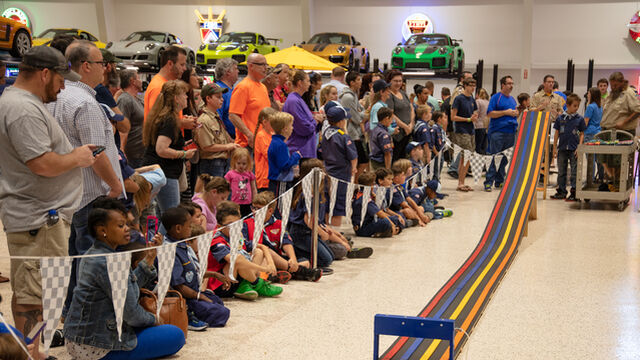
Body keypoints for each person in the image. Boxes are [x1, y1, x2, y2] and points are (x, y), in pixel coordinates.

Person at [0, 46, 96, 350]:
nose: (63, 86)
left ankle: (33, 351)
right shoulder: (22, 108)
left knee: (36, 291)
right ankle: (30, 355)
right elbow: (40, 163)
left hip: (41, 216)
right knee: (34, 295)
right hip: (38, 218)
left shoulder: (22, 103)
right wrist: (77, 157)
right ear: (44, 74)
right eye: (60, 79)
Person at [64, 203, 185, 359]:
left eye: (127, 224)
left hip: (79, 339)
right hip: (95, 344)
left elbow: (129, 289)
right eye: (121, 225)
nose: (127, 228)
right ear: (102, 231)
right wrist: (154, 319)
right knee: (175, 335)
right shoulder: (107, 262)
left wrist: (149, 258)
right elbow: (131, 314)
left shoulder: (95, 253)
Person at [162, 207, 231, 329]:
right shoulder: (170, 251)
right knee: (222, 313)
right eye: (189, 226)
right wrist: (200, 296)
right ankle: (188, 316)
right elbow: (179, 286)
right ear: (178, 228)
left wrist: (214, 275)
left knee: (217, 301)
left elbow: (191, 274)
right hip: (183, 299)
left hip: (193, 293)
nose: (191, 228)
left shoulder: (182, 244)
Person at [208, 201, 283, 299]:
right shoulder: (216, 239)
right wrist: (264, 269)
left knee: (258, 252)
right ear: (219, 227)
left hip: (235, 278)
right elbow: (235, 260)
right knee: (237, 259)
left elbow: (262, 246)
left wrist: (270, 263)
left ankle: (245, 285)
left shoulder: (236, 236)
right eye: (231, 224)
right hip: (222, 285)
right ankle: (257, 283)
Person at [142, 80, 196, 213]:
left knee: (166, 215)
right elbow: (161, 149)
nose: (187, 97)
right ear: (176, 98)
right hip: (165, 172)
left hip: (163, 171)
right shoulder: (170, 120)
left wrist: (181, 146)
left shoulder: (165, 117)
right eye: (184, 94)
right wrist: (184, 154)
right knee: (172, 217)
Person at [248, 192, 323, 281]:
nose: (254, 211)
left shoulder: (279, 224)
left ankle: (279, 273)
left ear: (270, 211)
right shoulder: (246, 223)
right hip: (257, 257)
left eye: (259, 209)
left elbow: (286, 242)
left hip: (277, 258)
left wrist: (293, 258)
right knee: (265, 251)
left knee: (305, 262)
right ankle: (299, 271)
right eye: (253, 208)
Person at [321, 102, 358, 226]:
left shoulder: (325, 133)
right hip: (342, 173)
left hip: (327, 170)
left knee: (326, 200)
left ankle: (325, 226)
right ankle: (336, 230)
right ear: (341, 121)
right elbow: (353, 156)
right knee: (338, 203)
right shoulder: (343, 137)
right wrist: (354, 168)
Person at [229, 53, 270, 149]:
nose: (266, 68)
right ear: (251, 66)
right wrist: (249, 135)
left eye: (266, 65)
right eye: (262, 65)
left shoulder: (263, 87)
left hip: (263, 142)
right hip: (248, 145)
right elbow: (233, 115)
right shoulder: (243, 87)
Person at [484, 76, 519, 192]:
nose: (511, 86)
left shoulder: (513, 99)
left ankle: (499, 181)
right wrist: (506, 112)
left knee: (504, 159)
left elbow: (512, 113)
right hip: (497, 132)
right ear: (502, 85)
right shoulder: (496, 98)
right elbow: (490, 113)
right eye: (509, 83)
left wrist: (515, 113)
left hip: (510, 132)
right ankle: (488, 182)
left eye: (512, 83)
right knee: (494, 157)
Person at [195, 83, 236, 177]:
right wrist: (227, 146)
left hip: (221, 161)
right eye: (218, 97)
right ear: (208, 99)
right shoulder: (204, 120)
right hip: (211, 163)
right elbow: (206, 146)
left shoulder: (215, 117)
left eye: (221, 97)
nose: (222, 99)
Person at [551, 94, 586, 201]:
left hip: (574, 149)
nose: (576, 108)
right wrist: (554, 148)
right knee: (561, 170)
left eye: (578, 106)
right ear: (568, 105)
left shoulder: (579, 119)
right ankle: (561, 191)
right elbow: (556, 133)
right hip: (562, 148)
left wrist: (579, 147)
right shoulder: (560, 118)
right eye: (574, 106)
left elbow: (582, 133)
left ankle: (574, 192)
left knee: (574, 171)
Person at [283, 70, 323, 159]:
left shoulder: (298, 100)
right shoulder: (294, 101)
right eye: (308, 81)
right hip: (299, 150)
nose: (310, 84)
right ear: (300, 83)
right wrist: (315, 120)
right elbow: (303, 127)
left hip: (305, 149)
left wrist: (314, 119)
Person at [144, 46, 187, 120]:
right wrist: (182, 123)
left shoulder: (167, 84)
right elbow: (157, 122)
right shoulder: (159, 87)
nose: (185, 68)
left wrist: (182, 119)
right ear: (170, 64)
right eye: (181, 65)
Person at [351, 172, 399, 237]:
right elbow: (380, 213)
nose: (374, 185)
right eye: (373, 184)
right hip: (362, 228)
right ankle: (388, 231)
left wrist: (374, 197)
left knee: (394, 218)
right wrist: (392, 225)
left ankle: (390, 230)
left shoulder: (360, 193)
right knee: (386, 222)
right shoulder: (365, 198)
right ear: (370, 186)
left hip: (368, 222)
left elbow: (380, 207)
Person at [451, 77, 478, 192]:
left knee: (467, 158)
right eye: (470, 85)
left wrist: (474, 117)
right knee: (465, 157)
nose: (472, 88)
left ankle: (462, 182)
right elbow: (453, 117)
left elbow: (475, 112)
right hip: (462, 130)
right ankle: (460, 182)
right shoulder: (459, 99)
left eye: (474, 86)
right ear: (465, 86)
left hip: (471, 130)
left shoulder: (472, 99)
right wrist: (468, 119)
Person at [340, 71, 368, 180]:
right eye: (358, 80)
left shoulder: (354, 95)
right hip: (351, 133)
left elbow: (360, 112)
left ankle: (355, 185)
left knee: (361, 162)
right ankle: (354, 185)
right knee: (361, 161)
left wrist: (360, 112)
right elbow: (356, 118)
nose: (360, 82)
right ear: (352, 82)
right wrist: (361, 113)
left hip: (356, 132)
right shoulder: (348, 97)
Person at [268, 112, 302, 196]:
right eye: (291, 125)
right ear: (285, 129)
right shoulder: (280, 145)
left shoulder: (278, 142)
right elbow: (284, 165)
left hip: (278, 181)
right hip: (280, 181)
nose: (292, 128)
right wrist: (296, 156)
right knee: (281, 207)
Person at [389, 159, 430, 226]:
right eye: (403, 175)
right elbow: (405, 205)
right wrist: (419, 219)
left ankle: (415, 219)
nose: (404, 177)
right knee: (408, 211)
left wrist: (420, 214)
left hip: (406, 207)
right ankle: (410, 222)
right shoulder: (394, 188)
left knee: (421, 208)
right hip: (398, 211)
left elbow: (409, 199)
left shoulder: (400, 185)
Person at [117, 69, 145, 167]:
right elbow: (122, 128)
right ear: (132, 81)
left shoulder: (137, 99)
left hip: (141, 154)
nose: (141, 81)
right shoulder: (125, 100)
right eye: (138, 78)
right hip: (133, 156)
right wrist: (121, 150)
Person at [385, 70, 414, 160]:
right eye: (395, 81)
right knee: (397, 157)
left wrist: (411, 124)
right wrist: (405, 126)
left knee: (405, 157)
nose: (398, 83)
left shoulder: (403, 93)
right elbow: (391, 114)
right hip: (397, 133)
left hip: (408, 131)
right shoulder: (389, 95)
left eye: (400, 81)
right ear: (390, 81)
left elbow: (411, 108)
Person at [225, 148, 257, 217]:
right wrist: (226, 201)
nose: (241, 166)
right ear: (234, 162)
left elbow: (253, 188)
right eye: (238, 163)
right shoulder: (230, 174)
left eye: (244, 164)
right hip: (235, 203)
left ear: (248, 163)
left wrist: (255, 202)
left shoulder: (249, 174)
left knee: (247, 220)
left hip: (247, 204)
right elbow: (226, 189)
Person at [214, 58, 239, 138]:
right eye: (236, 69)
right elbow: (217, 119)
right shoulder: (218, 90)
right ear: (228, 72)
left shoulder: (231, 90)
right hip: (228, 138)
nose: (238, 71)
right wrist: (228, 139)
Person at [254, 107, 277, 192]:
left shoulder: (272, 134)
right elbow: (269, 155)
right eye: (273, 122)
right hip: (265, 178)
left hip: (272, 177)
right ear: (264, 122)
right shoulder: (261, 136)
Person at [475, 88, 490, 154]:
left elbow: (476, 113)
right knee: (484, 146)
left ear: (477, 94)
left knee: (478, 146)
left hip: (478, 125)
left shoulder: (478, 101)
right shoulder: (488, 102)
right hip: (486, 126)